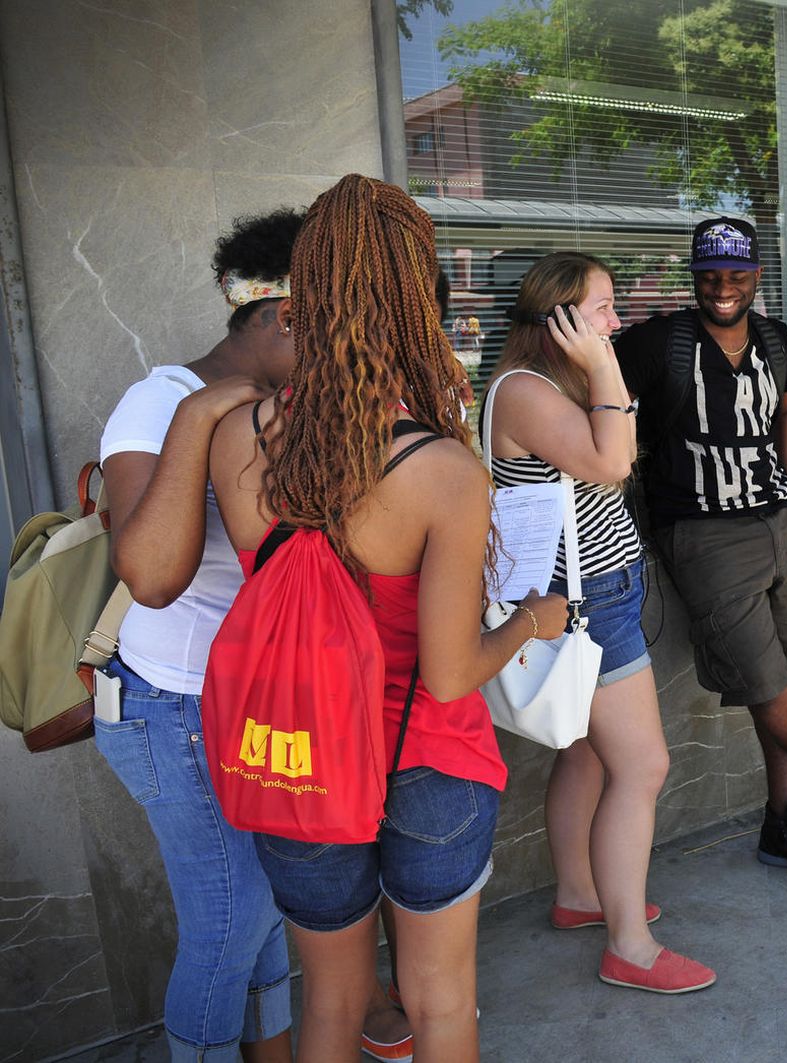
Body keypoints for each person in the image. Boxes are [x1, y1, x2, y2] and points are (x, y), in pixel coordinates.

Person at [207, 175, 568, 1061]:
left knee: (329, 1004)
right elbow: (448, 674)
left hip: (295, 756)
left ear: (306, 296)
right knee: (441, 1004)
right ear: (417, 297)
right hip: (427, 762)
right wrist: (531, 621)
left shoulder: (236, 436)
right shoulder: (440, 468)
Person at [98, 209, 305, 1063]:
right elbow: (147, 574)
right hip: (173, 711)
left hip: (249, 702)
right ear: (285, 317)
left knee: (263, 913)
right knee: (228, 924)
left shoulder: (286, 407)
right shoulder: (160, 402)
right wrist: (206, 417)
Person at [486, 252, 715, 993]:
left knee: (586, 757)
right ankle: (631, 946)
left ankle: (581, 895)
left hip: (598, 593)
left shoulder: (555, 383)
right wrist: (604, 362)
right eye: (602, 308)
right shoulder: (523, 390)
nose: (617, 322)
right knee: (643, 766)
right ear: (558, 319)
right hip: (587, 606)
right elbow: (614, 461)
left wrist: (595, 362)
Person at [614, 216, 787, 884]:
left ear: (758, 275)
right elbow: (592, 391)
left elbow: (784, 412)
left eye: (737, 275)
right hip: (700, 530)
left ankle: (783, 821)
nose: (723, 288)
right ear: (693, 276)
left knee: (781, 672)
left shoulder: (780, 342)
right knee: (762, 676)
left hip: (777, 522)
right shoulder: (658, 342)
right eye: (710, 276)